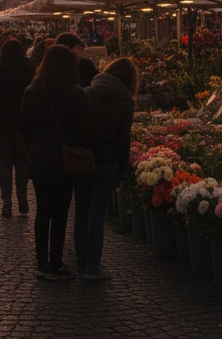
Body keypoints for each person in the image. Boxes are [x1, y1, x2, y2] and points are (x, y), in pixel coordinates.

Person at [21, 44, 94, 281]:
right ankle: (56, 262)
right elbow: (86, 129)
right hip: (64, 161)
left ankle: (42, 263)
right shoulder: (76, 94)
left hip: (40, 160)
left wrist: (35, 146)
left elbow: (25, 128)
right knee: (61, 212)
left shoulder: (32, 91)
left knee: (42, 211)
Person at [74, 57, 137, 280]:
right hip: (107, 162)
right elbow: (123, 139)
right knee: (97, 214)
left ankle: (81, 262)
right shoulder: (126, 102)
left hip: (84, 159)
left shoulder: (87, 93)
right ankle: (93, 266)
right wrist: (122, 166)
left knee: (81, 211)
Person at [0, 38, 34, 217]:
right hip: (23, 123)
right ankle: (22, 195)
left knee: (5, 164)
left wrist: (0, 106)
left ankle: (6, 201)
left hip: (2, 122)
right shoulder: (30, 71)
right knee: (21, 163)